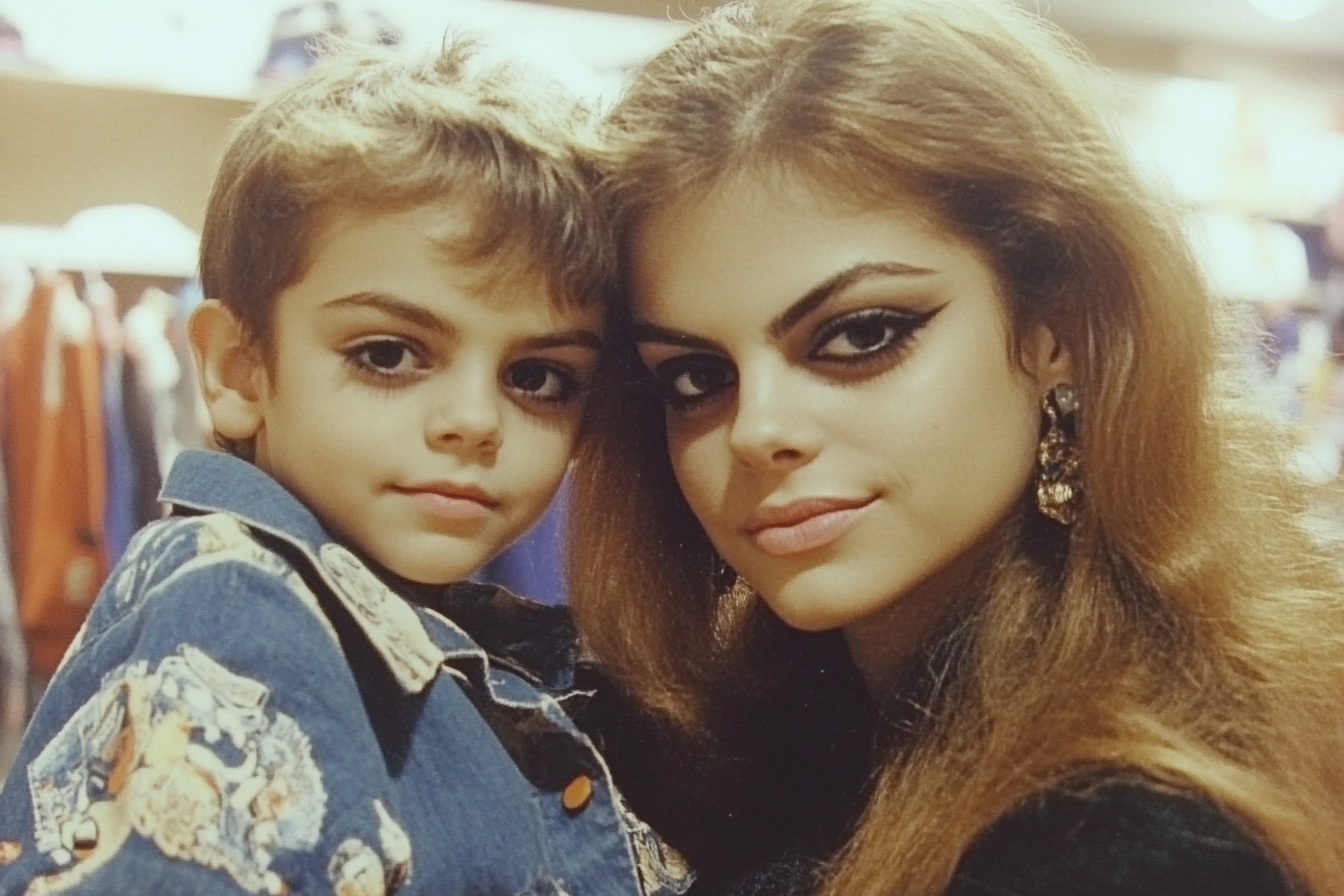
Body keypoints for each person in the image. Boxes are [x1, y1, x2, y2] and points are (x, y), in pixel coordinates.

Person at [567, 0, 1344, 893]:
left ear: (1059, 327)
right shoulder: (751, 730)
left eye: (860, 336)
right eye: (695, 377)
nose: (758, 429)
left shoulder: (1124, 843)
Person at [0, 38, 690, 896]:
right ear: (237, 371)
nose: (475, 421)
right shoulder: (236, 609)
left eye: (537, 378)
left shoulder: (446, 635)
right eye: (390, 354)